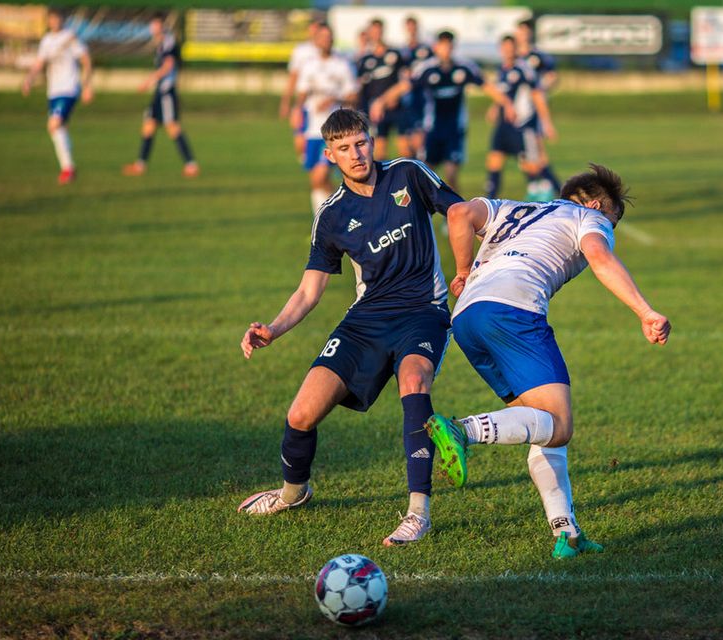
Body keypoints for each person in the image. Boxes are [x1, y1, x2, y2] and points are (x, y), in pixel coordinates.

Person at [237, 109, 462, 548]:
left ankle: (419, 512)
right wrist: (274, 329)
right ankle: (293, 494)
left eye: (361, 143)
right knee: (301, 414)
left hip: (423, 311)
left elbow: (462, 212)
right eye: (344, 148)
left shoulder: (409, 175)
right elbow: (309, 291)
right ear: (330, 155)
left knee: (414, 381)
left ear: (371, 141)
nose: (356, 154)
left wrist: (470, 266)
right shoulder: (332, 215)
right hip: (366, 319)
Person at [426, 164, 671, 558]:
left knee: (540, 426)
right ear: (595, 204)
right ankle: (462, 431)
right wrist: (645, 312)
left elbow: (458, 213)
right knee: (558, 424)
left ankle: (567, 534)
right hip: (514, 311)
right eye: (613, 220)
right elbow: (600, 258)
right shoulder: (588, 217)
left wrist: (462, 271)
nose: (610, 230)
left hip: (468, 318)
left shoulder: (512, 207)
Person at [371, 31, 516, 192]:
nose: (446, 50)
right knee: (424, 174)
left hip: (455, 129)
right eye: (442, 46)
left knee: (451, 174)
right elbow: (404, 86)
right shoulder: (427, 69)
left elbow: (487, 86)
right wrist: (381, 101)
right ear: (436, 47)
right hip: (432, 129)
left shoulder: (464, 68)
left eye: (449, 46)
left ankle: (454, 213)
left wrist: (507, 103)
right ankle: (423, 213)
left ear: (453, 47)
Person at [292, 23, 358, 215]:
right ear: (316, 40)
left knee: (320, 176)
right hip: (313, 129)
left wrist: (334, 99)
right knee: (315, 180)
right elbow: (303, 93)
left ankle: (344, 211)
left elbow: (353, 96)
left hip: (334, 131)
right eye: (322, 37)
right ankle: (324, 223)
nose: (326, 41)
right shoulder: (309, 66)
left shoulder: (342, 65)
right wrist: (297, 111)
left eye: (329, 37)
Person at [122, 13, 199, 178]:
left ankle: (191, 165)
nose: (153, 28)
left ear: (163, 25)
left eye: (156, 25)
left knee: (172, 127)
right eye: (152, 25)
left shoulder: (168, 42)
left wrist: (149, 80)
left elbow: (169, 66)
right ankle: (140, 165)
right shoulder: (160, 43)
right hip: (159, 92)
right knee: (149, 125)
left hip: (166, 92)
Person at [22, 9, 93, 185]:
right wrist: (29, 79)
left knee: (54, 124)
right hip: (53, 91)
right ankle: (69, 169)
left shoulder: (70, 37)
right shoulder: (47, 40)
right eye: (52, 19)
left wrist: (87, 86)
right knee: (59, 129)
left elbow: (86, 60)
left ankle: (68, 168)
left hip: (68, 89)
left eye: (58, 18)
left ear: (63, 19)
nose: (55, 22)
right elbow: (40, 62)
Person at [484, 35, 557, 201]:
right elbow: (504, 93)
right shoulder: (501, 69)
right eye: (504, 48)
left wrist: (546, 123)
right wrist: (495, 107)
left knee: (533, 164)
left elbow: (537, 94)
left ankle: (558, 192)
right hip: (503, 124)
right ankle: (489, 203)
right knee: (494, 161)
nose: (507, 51)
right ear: (500, 49)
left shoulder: (524, 69)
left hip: (522, 124)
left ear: (516, 49)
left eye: (511, 48)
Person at [514, 19, 562, 200]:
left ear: (530, 34)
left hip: (532, 111)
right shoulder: (514, 56)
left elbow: (553, 77)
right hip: (516, 113)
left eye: (526, 32)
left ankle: (556, 191)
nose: (523, 35)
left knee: (536, 155)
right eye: (520, 32)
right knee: (525, 157)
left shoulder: (538, 56)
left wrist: (540, 88)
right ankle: (540, 187)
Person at [357, 18, 412, 160]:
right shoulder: (365, 59)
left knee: (405, 150)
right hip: (377, 111)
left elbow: (405, 83)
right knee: (379, 151)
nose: (377, 35)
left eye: (379, 31)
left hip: (397, 107)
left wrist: (387, 99)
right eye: (373, 32)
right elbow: (362, 88)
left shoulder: (395, 54)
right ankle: (384, 182)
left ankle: (409, 180)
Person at [281, 19, 322, 162]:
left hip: (323, 104)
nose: (315, 32)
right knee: (300, 136)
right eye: (313, 29)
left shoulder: (330, 51)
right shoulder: (302, 50)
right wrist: (286, 102)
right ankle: (307, 162)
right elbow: (293, 76)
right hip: (304, 101)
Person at [398, 15, 434, 161]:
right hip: (406, 100)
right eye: (409, 27)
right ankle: (411, 178)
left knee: (420, 142)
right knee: (405, 146)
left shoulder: (426, 50)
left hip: (421, 99)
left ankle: (422, 174)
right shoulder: (402, 51)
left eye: (414, 27)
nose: (411, 30)